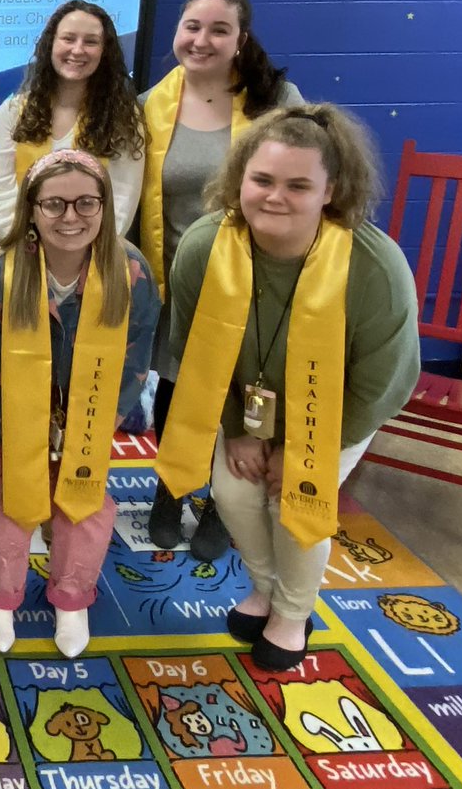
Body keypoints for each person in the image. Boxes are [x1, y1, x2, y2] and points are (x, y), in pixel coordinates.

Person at [158, 103, 419, 670]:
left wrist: (307, 449)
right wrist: (239, 431)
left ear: (331, 191)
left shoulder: (375, 267)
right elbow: (192, 354)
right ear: (239, 179)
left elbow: (384, 383)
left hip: (338, 413)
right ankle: (266, 586)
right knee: (231, 493)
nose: (275, 197)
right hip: (246, 408)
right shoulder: (205, 247)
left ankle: (293, 612)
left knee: (294, 502)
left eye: (298, 185)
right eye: (262, 180)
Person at [0, 150, 159, 657]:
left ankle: (71, 597)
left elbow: (135, 359)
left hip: (90, 415)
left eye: (85, 203)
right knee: (7, 498)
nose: (70, 217)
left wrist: (97, 422)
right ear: (31, 209)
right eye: (54, 204)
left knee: (83, 499)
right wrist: (9, 431)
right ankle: (1, 595)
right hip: (8, 416)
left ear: (105, 206)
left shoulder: (131, 273)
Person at [140, 0, 304, 560]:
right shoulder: (148, 106)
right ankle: (172, 487)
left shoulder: (275, 101)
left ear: (241, 40)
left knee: (245, 392)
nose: (200, 40)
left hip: (255, 282)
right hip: (179, 280)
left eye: (217, 29)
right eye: (191, 26)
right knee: (177, 386)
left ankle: (224, 502)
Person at [0, 1, 145, 240]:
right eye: (68, 39)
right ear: (51, 44)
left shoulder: (124, 117)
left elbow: (122, 203)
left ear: (105, 52)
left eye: (90, 41)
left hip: (95, 257)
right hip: (22, 251)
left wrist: (75, 250)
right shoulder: (12, 111)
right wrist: (28, 245)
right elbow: (1, 198)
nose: (78, 50)